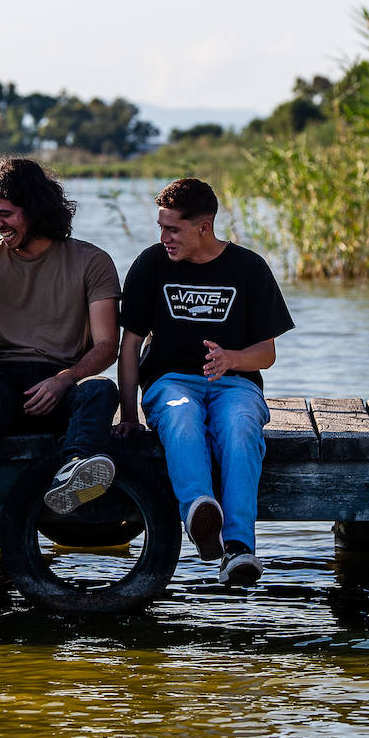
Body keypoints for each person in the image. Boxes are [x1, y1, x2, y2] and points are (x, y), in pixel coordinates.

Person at [114, 178, 294, 586]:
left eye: (172, 229)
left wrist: (232, 359)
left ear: (203, 226)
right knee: (182, 419)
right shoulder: (151, 264)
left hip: (237, 385)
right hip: (171, 382)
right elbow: (130, 347)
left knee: (239, 428)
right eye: (161, 227)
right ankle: (199, 513)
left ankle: (238, 550)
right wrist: (128, 414)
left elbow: (266, 353)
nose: (164, 238)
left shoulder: (249, 268)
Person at [0, 157, 120, 512]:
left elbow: (107, 345)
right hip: (3, 376)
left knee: (102, 390)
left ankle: (72, 471)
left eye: (5, 213)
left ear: (36, 208)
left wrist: (63, 381)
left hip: (63, 380)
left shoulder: (92, 261)